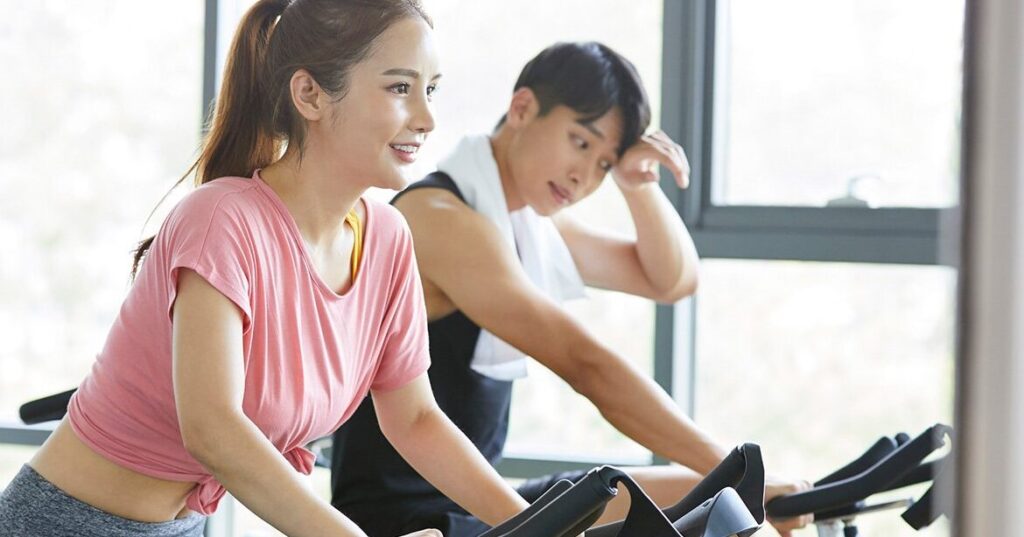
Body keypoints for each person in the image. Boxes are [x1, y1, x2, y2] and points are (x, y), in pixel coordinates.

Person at [0, 1, 532, 536]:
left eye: (431, 90)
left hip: (181, 528)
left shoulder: (388, 240)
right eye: (400, 88)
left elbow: (415, 420)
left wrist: (532, 525)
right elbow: (213, 430)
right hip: (64, 523)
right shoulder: (221, 220)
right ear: (310, 94)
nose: (427, 118)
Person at [331, 42, 813, 537]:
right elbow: (585, 365)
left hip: (472, 502)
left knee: (705, 495)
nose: (584, 176)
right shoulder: (440, 219)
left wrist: (637, 185)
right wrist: (741, 474)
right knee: (720, 492)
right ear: (522, 108)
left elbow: (672, 280)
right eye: (581, 142)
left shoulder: (527, 227)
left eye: (604, 164)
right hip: (406, 523)